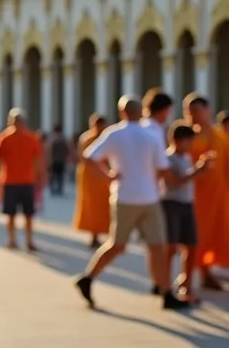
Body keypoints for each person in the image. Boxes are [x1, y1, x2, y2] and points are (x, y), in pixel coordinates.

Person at [74, 95, 190, 311]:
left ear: (122, 113)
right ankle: (165, 292)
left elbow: (88, 157)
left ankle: (89, 278)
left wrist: (107, 176)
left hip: (124, 196)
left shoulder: (114, 133)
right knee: (158, 247)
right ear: (142, 112)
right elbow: (163, 169)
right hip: (149, 197)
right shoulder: (152, 135)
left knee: (117, 245)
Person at [184, 94, 229, 287]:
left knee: (217, 233)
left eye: (197, 110)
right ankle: (196, 274)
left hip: (219, 193)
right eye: (189, 111)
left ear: (207, 111)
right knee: (197, 234)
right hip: (196, 194)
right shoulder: (186, 135)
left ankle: (207, 270)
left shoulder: (220, 134)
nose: (193, 115)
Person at [161, 124, 214, 302]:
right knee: (171, 248)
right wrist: (198, 171)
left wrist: (201, 169)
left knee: (191, 246)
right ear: (177, 141)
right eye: (188, 141)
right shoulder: (168, 158)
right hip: (171, 204)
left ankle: (187, 286)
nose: (191, 144)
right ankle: (165, 287)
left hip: (186, 204)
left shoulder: (186, 157)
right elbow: (173, 182)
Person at [0, 108, 43, 251]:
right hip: (11, 181)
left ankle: (27, 240)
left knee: (27, 214)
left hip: (25, 180)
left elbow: (37, 160)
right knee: (12, 214)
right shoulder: (5, 138)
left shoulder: (29, 138)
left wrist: (40, 177)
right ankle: (14, 240)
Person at [73, 114, 111, 248]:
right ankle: (93, 235)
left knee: (105, 206)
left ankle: (103, 233)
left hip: (104, 177)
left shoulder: (106, 138)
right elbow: (82, 157)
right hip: (89, 178)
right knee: (90, 206)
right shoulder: (86, 138)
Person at [47, 124, 71, 196]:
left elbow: (67, 150)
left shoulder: (63, 140)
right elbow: (50, 151)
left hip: (61, 161)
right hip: (54, 161)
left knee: (60, 176)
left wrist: (67, 159)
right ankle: (53, 189)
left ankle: (59, 189)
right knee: (53, 176)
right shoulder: (53, 140)